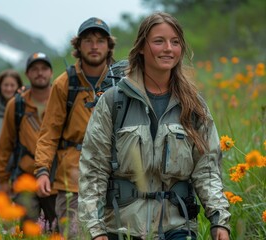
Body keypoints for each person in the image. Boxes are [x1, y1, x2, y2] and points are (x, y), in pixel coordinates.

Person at [78, 12, 231, 240]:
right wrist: (95, 230)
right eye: (159, 41)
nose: (168, 48)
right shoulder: (113, 102)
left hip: (177, 227)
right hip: (123, 228)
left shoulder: (194, 106)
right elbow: (93, 170)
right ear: (141, 47)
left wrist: (220, 220)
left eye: (175, 42)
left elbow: (207, 170)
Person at [34, 17, 116, 237]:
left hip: (116, 180)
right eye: (88, 40)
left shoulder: (121, 80)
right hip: (73, 181)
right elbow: (48, 132)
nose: (94, 46)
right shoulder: (65, 83)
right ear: (78, 46)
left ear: (109, 46)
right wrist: (42, 170)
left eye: (100, 40)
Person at [0, 52, 57, 230]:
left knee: (59, 232)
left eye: (44, 68)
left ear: (51, 73)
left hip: (56, 179)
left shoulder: (61, 99)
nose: (40, 73)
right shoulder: (16, 105)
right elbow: (5, 145)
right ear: (27, 74)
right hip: (26, 179)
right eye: (34, 69)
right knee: (28, 230)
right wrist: (3, 180)